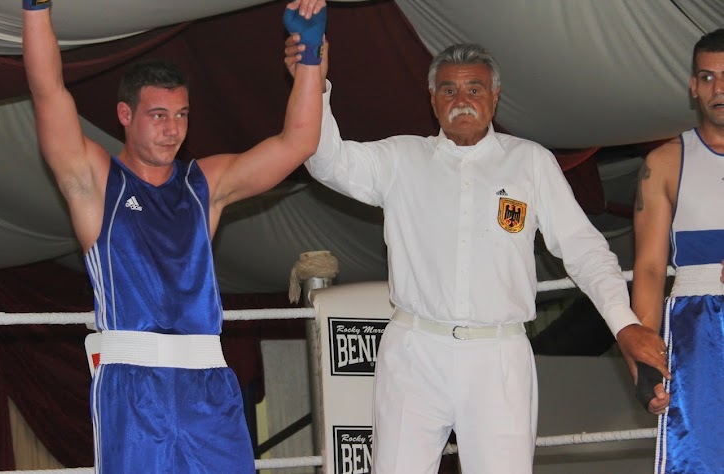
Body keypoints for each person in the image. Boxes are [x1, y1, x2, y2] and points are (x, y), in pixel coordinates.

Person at [13, 0, 326, 472]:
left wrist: (310, 56)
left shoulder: (205, 185)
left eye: (181, 115)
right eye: (158, 115)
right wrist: (37, 2)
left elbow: (297, 143)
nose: (172, 128)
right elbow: (48, 92)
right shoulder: (95, 180)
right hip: (134, 385)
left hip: (209, 383)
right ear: (124, 116)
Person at [285, 36, 668, 474]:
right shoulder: (400, 158)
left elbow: (584, 250)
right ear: (432, 99)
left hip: (499, 355)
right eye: (448, 90)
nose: (461, 100)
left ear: (495, 96)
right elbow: (326, 161)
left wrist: (624, 324)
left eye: (474, 89)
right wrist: (312, 80)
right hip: (414, 351)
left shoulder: (530, 162)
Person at [631, 28, 724, 472]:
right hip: (696, 328)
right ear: (693, 86)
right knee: (701, 460)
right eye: (708, 77)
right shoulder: (665, 162)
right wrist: (645, 367)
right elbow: (650, 268)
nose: (719, 89)